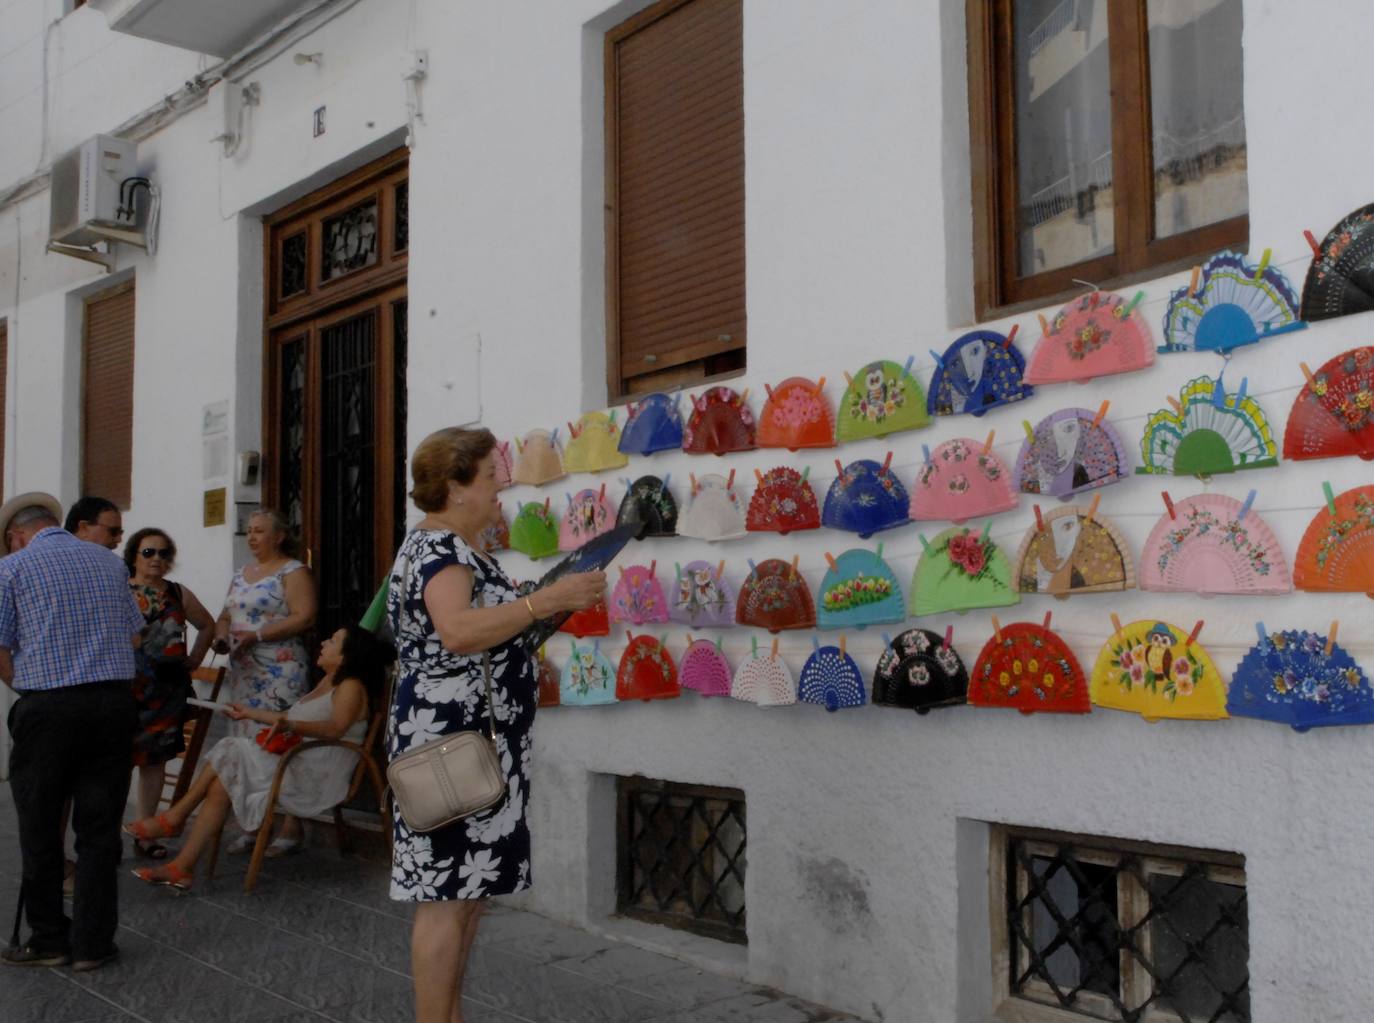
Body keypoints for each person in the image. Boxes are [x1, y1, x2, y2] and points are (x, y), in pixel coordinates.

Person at [388, 426, 604, 1023]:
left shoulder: (454, 548)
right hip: (451, 745)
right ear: (456, 487)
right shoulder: (439, 551)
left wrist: (550, 604)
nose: (500, 484)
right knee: (444, 900)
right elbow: (457, 631)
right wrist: (544, 600)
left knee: (466, 896)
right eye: (489, 475)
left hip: (477, 740)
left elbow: (489, 629)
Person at [124, 625, 393, 892]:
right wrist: (247, 713)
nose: (323, 643)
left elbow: (335, 728)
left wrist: (292, 728)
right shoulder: (327, 682)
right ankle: (181, 867)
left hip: (317, 776)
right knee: (220, 785)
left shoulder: (351, 686)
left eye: (332, 640)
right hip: (297, 764)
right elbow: (287, 719)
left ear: (346, 656)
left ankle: (174, 818)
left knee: (232, 747)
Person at [0, 503, 144, 971]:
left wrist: (30, 688)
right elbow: (134, 638)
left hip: (48, 708)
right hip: (111, 704)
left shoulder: (11, 568)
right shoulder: (109, 562)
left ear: (17, 535)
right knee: (99, 831)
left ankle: (48, 939)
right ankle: (93, 944)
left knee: (41, 826)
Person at [211, 508, 317, 854]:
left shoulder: (293, 571)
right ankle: (253, 822)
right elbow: (226, 613)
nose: (252, 537)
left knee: (277, 741)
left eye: (259, 531)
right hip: (245, 671)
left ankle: (291, 823)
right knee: (244, 743)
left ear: (279, 536)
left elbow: (304, 616)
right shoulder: (242, 573)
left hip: (279, 670)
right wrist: (223, 636)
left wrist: (258, 634)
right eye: (250, 531)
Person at [122, 528, 217, 859]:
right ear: (134, 555)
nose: (157, 559)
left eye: (163, 553)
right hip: (125, 688)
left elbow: (208, 625)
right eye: (148, 553)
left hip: (166, 690)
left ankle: (145, 832)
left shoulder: (177, 593)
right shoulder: (119, 590)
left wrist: (195, 660)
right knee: (117, 762)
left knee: (155, 761)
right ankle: (105, 835)